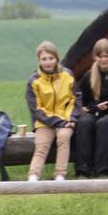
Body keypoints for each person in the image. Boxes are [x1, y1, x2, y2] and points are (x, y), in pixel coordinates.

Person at [25, 40, 81, 181]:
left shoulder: (67, 75)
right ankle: (33, 175)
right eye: (44, 59)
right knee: (41, 145)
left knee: (63, 137)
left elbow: (75, 98)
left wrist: (71, 119)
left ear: (57, 58)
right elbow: (36, 109)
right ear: (39, 60)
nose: (48, 62)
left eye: (51, 58)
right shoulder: (33, 81)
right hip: (45, 121)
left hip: (66, 119)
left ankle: (60, 174)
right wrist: (58, 122)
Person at [72, 38, 108, 177]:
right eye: (100, 56)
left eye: (107, 56)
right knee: (84, 123)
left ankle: (103, 169)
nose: (104, 60)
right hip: (93, 112)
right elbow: (81, 99)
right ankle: (82, 169)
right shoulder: (89, 75)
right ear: (95, 57)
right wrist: (84, 108)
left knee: (103, 124)